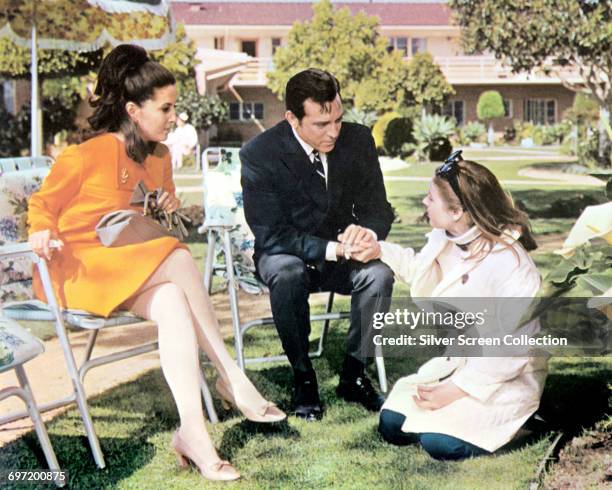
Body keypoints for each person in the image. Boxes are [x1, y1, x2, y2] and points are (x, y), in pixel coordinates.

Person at [27, 44, 285, 482]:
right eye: (165, 108)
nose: (173, 117)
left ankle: (193, 433)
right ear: (133, 109)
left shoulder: (159, 157)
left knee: (171, 298)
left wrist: (165, 210)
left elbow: (159, 226)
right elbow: (41, 204)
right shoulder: (86, 154)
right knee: (177, 256)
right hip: (75, 268)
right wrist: (40, 230)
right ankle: (231, 377)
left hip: (128, 265)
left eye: (174, 108)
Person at [346, 150, 548, 460]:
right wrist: (377, 249)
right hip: (460, 366)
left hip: (504, 376)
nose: (424, 203)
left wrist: (455, 391)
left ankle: (524, 423)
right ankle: (451, 414)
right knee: (392, 425)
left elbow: (512, 349)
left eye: (430, 198)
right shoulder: (447, 237)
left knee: (439, 444)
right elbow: (419, 269)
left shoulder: (510, 261)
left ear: (456, 212)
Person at [240, 68, 395, 421]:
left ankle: (355, 373)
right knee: (287, 272)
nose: (334, 132)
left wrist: (367, 234)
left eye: (338, 120)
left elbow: (380, 209)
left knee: (380, 276)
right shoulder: (259, 154)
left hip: (344, 256)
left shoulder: (358, 141)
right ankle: (303, 377)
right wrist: (336, 249)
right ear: (292, 118)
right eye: (321, 125)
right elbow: (270, 233)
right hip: (286, 254)